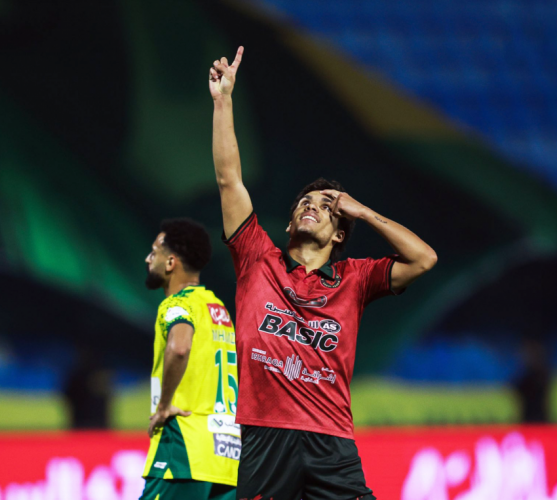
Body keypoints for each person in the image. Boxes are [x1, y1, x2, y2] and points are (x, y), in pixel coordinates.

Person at [209, 47, 438, 500]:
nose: (312, 206)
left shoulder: (355, 279)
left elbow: (423, 259)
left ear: (339, 234)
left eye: (326, 207)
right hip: (264, 438)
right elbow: (229, 180)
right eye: (305, 203)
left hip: (330, 442)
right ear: (289, 224)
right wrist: (223, 102)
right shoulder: (257, 258)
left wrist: (363, 212)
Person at [140, 218, 239, 500]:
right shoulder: (218, 310)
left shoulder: (177, 304)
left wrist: (163, 406)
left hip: (184, 449)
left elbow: (180, 346)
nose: (148, 259)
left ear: (171, 262)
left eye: (154, 252)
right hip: (226, 458)